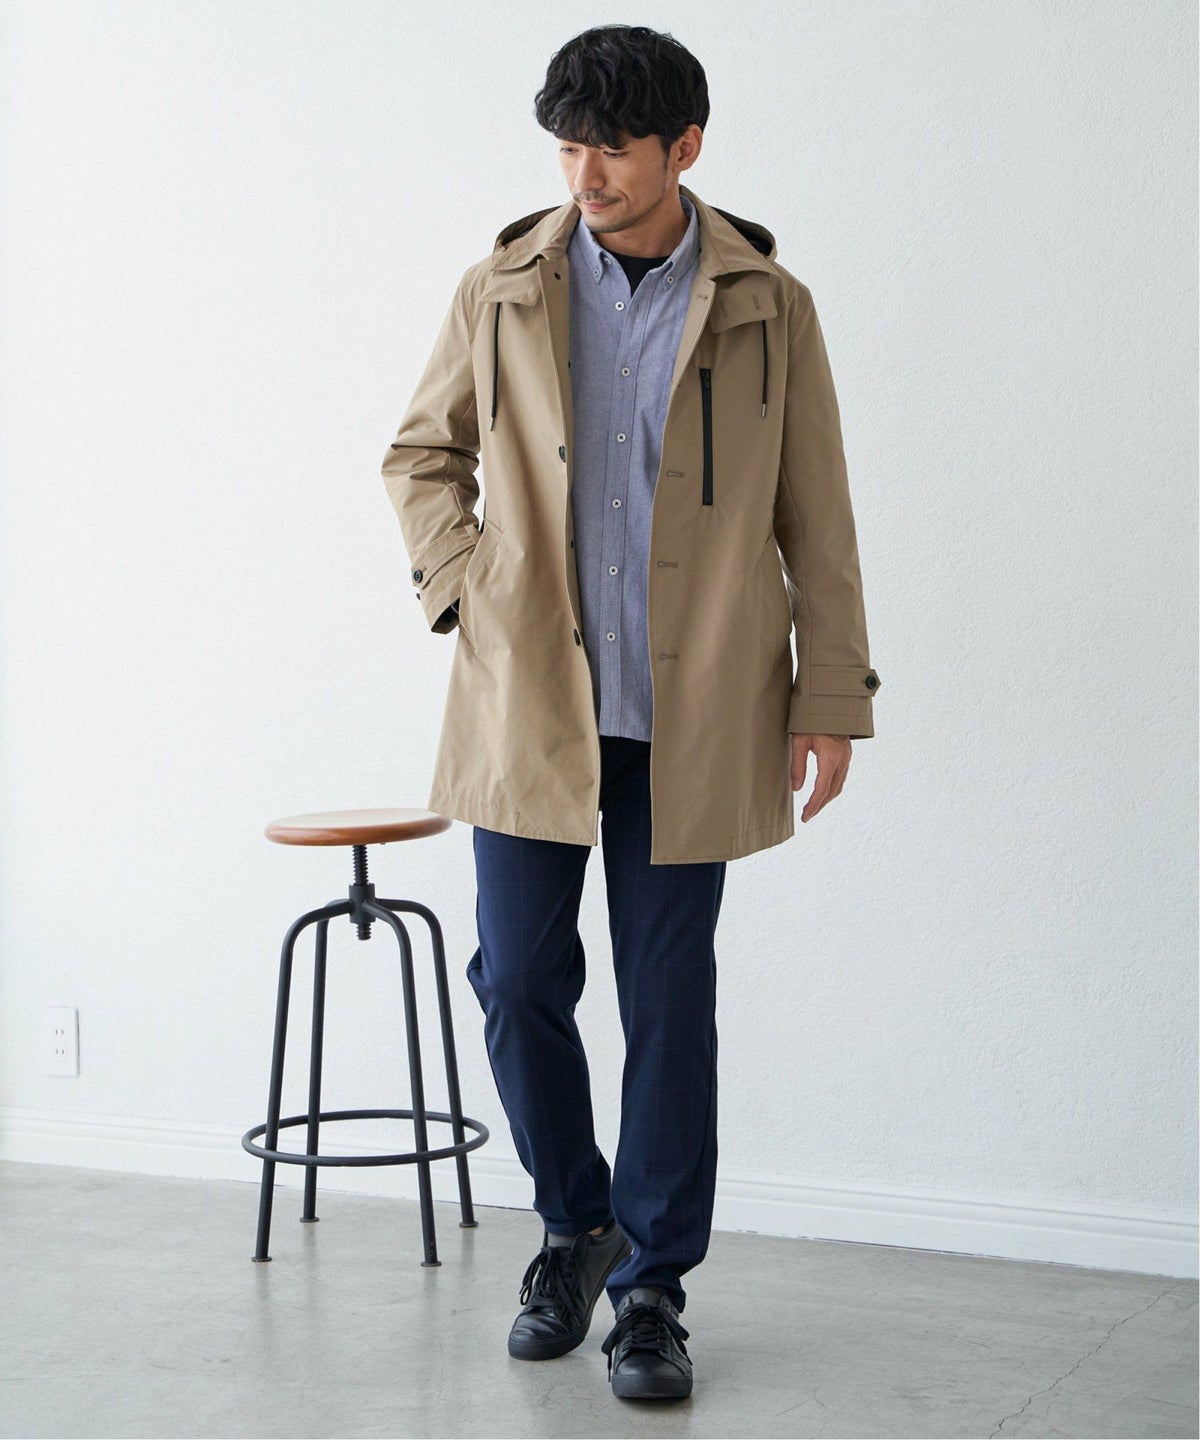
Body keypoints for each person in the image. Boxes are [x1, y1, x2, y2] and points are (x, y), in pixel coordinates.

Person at [381, 22, 881, 1403]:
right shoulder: (503, 286)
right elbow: (421, 455)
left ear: (685, 147)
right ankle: (574, 1225)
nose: (584, 174)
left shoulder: (771, 304)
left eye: (611, 147)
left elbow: (817, 513)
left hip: (695, 705)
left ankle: (653, 1286)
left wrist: (831, 693)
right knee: (516, 980)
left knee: (669, 1001)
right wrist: (466, 589)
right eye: (568, 146)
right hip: (528, 699)